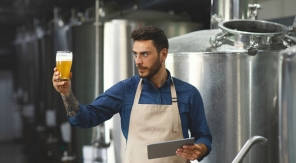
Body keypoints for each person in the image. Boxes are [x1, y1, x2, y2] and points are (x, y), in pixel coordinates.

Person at [52, 26, 212, 163]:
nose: (138, 61)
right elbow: (84, 119)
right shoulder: (125, 90)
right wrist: (66, 93)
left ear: (163, 54)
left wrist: (200, 149)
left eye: (144, 54)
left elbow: (203, 136)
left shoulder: (189, 93)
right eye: (135, 54)